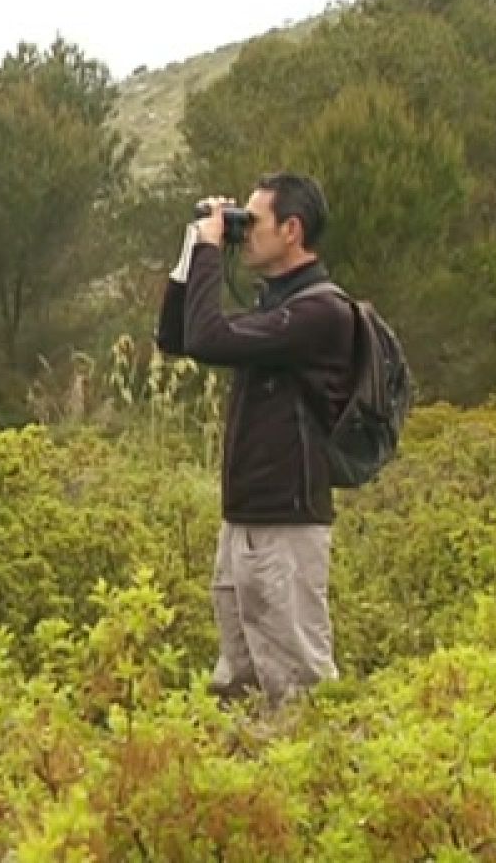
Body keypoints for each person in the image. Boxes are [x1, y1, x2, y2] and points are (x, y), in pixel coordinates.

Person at [154, 172, 355, 709]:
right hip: (245, 516)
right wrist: (194, 247)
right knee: (238, 685)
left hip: (287, 521)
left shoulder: (319, 312)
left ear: (292, 230)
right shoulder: (278, 308)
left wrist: (212, 251)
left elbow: (206, 337)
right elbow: (175, 337)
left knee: (300, 688)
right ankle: (247, 766)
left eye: (254, 220)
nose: (244, 232)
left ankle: (325, 763)